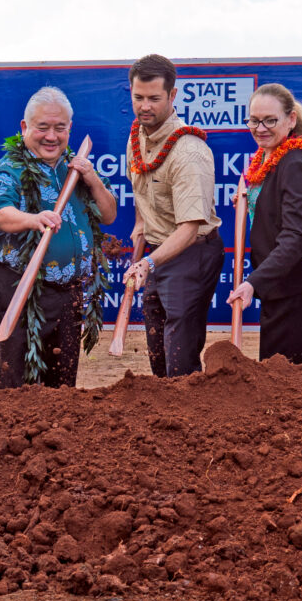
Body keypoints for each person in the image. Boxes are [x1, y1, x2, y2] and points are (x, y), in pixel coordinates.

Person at [0, 86, 118, 388]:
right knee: (17, 377)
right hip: (21, 286)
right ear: (25, 127)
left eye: (60, 128)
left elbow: (109, 215)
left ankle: (57, 433)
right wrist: (33, 219)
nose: (51, 137)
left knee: (62, 382)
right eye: (43, 128)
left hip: (70, 291)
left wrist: (92, 179)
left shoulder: (77, 168)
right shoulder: (9, 169)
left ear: (70, 128)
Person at [224, 83, 302, 364]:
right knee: (275, 371)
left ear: (291, 120)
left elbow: (296, 236)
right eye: (253, 120)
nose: (260, 127)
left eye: (270, 120)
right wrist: (255, 202)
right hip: (280, 281)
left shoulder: (297, 161)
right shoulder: (271, 156)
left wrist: (253, 283)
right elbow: (276, 204)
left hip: (296, 283)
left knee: (285, 376)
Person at [122, 54, 220, 377]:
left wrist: (148, 263)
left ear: (172, 96)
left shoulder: (188, 151)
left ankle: (191, 423)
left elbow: (190, 228)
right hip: (159, 252)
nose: (145, 106)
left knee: (179, 357)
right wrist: (140, 222)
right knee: (158, 352)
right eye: (139, 97)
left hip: (192, 253)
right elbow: (141, 189)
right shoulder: (136, 138)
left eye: (154, 98)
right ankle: (164, 422)